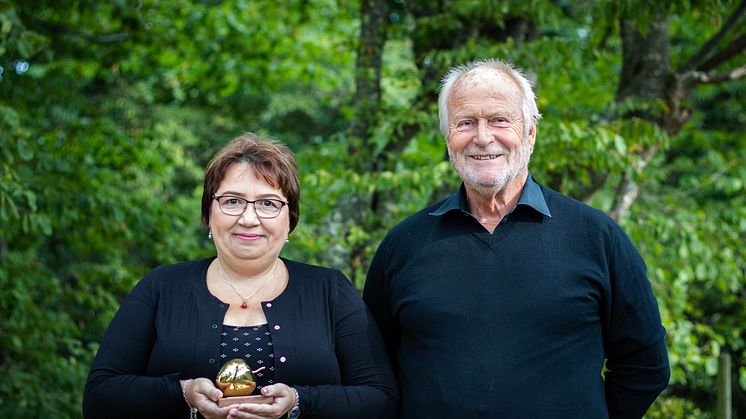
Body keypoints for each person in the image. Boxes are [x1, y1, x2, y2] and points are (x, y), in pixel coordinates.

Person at [363, 58, 670, 418]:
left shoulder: (596, 237)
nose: (482, 137)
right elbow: (373, 373)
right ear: (449, 139)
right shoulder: (404, 245)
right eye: (465, 123)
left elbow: (645, 366)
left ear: (530, 134)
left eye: (499, 120)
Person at [84, 134, 398, 419]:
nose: (249, 218)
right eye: (232, 201)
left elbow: (380, 399)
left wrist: (300, 401)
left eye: (268, 203)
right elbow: (100, 396)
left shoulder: (330, 291)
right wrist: (182, 393)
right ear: (209, 213)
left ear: (290, 219)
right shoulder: (161, 287)